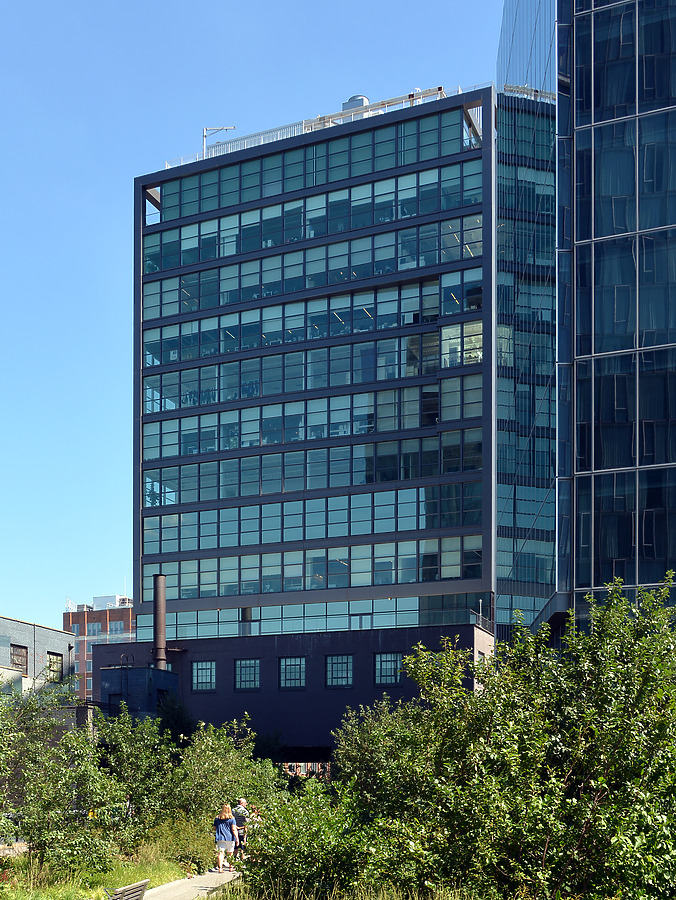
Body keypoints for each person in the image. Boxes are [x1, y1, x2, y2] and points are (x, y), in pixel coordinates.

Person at [213, 803, 239, 873]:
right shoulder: (232, 819)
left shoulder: (217, 818)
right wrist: (237, 838)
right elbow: (233, 829)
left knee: (221, 853)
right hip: (230, 837)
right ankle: (231, 867)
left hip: (220, 837)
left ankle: (220, 868)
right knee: (230, 853)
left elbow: (214, 828)